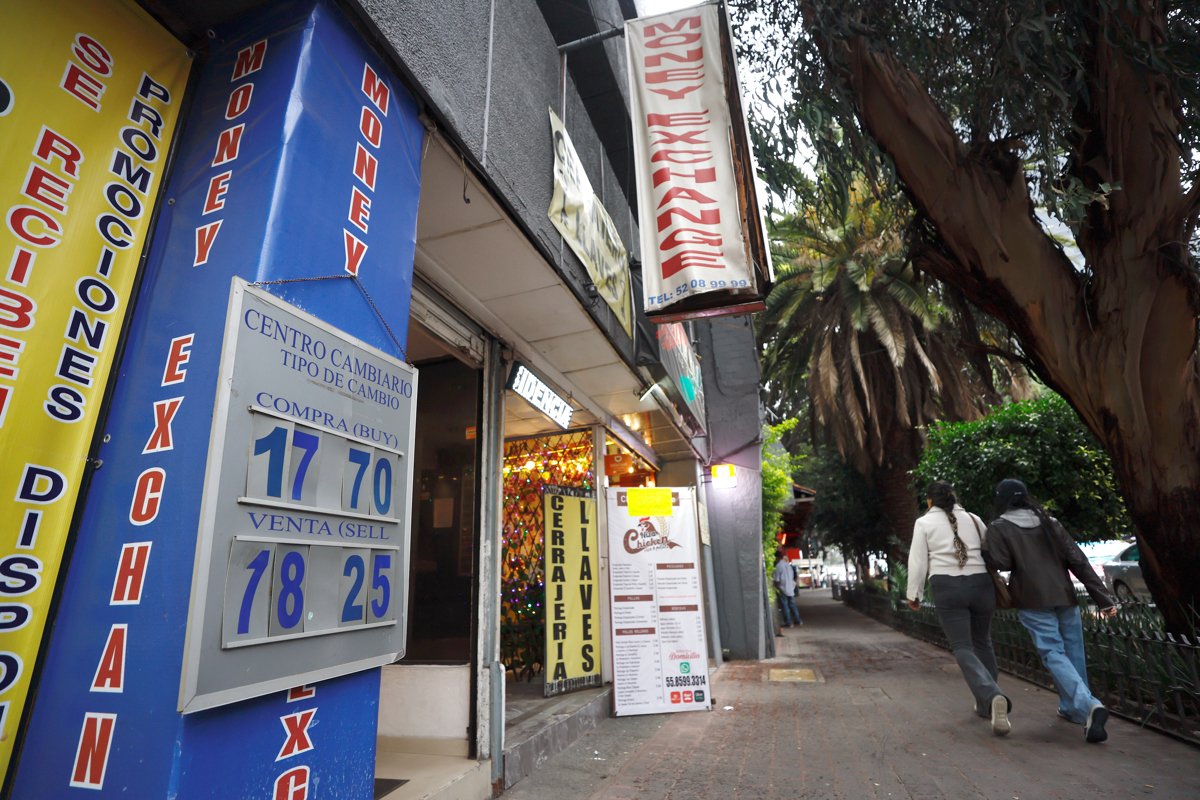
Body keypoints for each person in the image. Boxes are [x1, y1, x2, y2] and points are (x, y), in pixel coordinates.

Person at [983, 479, 1118, 743]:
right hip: (1064, 595)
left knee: (1053, 652)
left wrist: (987, 552)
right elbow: (1077, 560)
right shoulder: (1050, 522)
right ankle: (1074, 711)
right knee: (1073, 652)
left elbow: (1001, 562)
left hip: (1032, 598)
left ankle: (1089, 705)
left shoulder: (998, 527)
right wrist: (1104, 599)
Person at [907, 481, 1011, 735]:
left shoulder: (924, 523)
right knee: (983, 642)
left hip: (946, 587)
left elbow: (919, 562)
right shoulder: (974, 519)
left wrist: (914, 594)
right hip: (981, 585)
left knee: (963, 647)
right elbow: (991, 549)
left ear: (929, 501)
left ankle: (991, 695)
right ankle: (987, 705)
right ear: (954, 497)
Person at [773, 549, 803, 629]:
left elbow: (777, 579)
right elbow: (792, 577)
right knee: (792, 605)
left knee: (784, 606)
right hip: (790, 588)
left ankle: (788, 623)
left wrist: (777, 587)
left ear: (776, 557)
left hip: (782, 588)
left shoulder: (778, 566)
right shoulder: (788, 565)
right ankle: (798, 620)